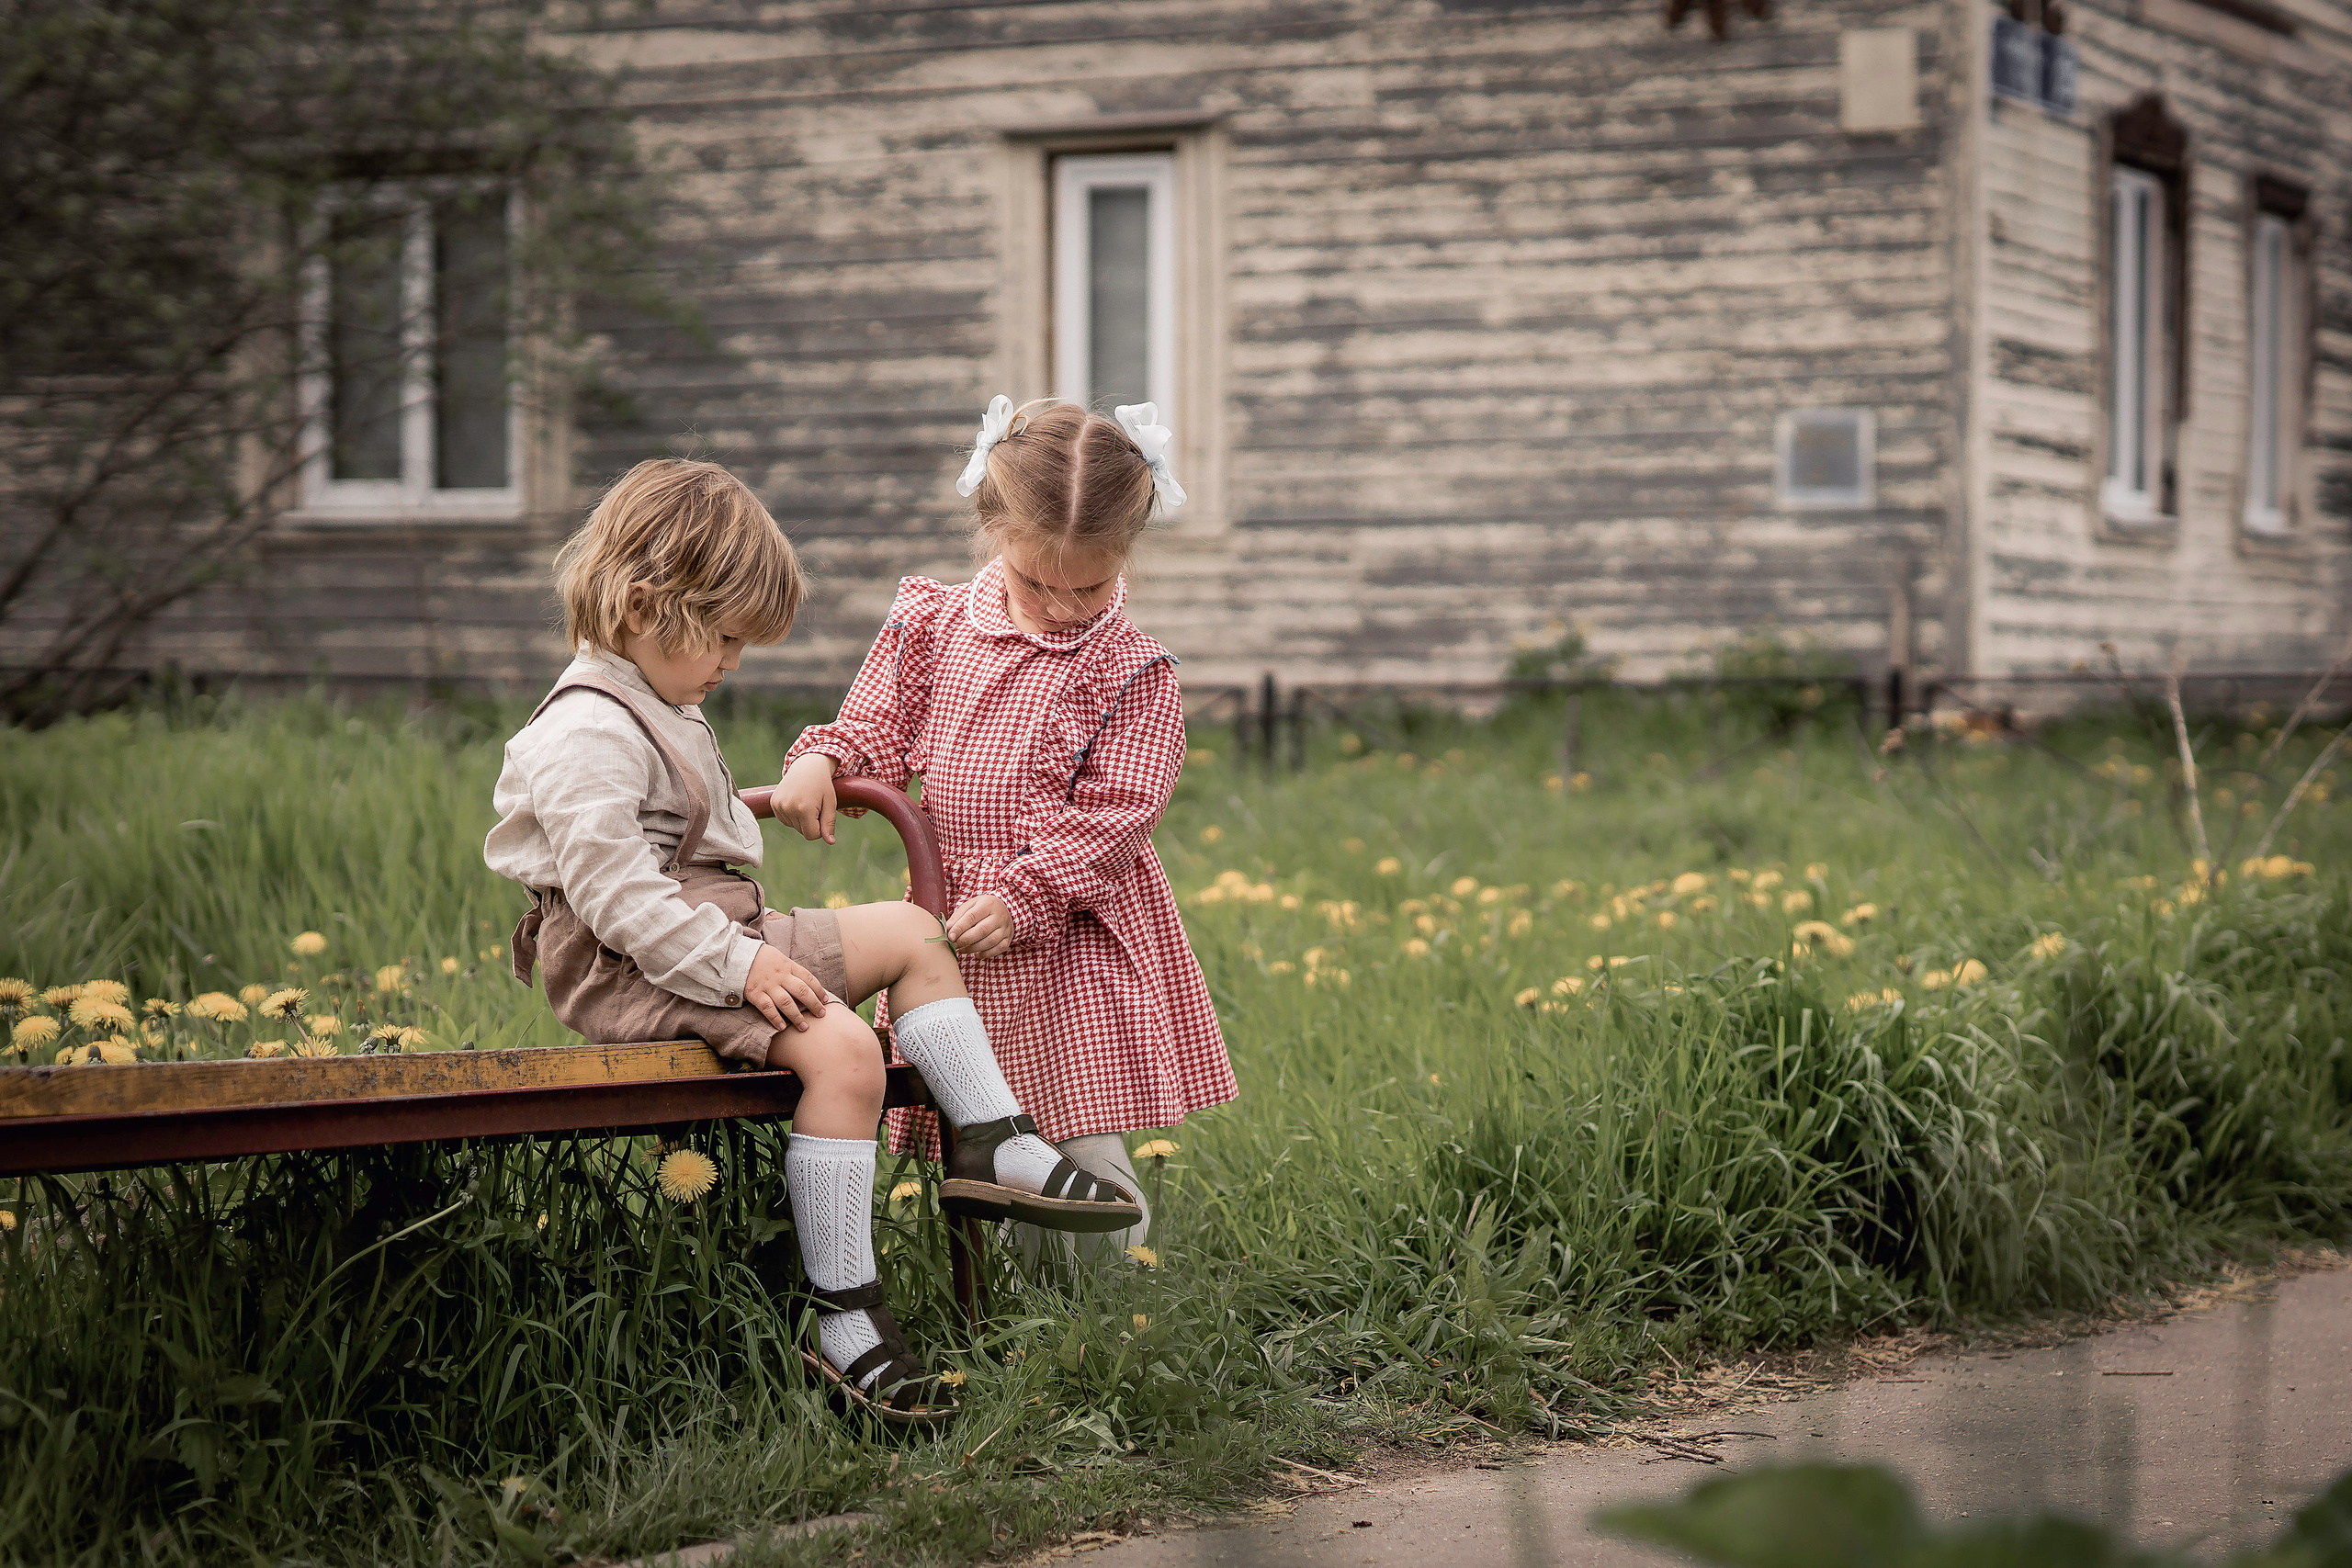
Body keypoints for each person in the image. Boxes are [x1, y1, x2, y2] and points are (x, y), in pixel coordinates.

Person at [485, 457, 1138, 1428]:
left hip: (713, 934)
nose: (732, 663)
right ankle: (845, 1318)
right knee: (842, 1048)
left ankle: (996, 1146)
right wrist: (744, 965)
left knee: (916, 933)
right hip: (638, 962)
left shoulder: (654, 696)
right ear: (640, 606)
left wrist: (744, 945)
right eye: (724, 638)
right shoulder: (585, 731)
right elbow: (616, 898)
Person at [771, 398, 1236, 1257]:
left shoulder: (1132, 671)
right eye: (1037, 582)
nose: (1064, 607)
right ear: (993, 533)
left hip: (1068, 933)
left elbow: (1115, 817)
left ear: (1126, 554)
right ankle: (999, 1302)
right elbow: (879, 726)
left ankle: (1107, 1309)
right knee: (977, 1122)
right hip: (951, 925)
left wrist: (1027, 895)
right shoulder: (934, 624)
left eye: (1088, 586)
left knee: (1076, 1124)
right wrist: (825, 760)